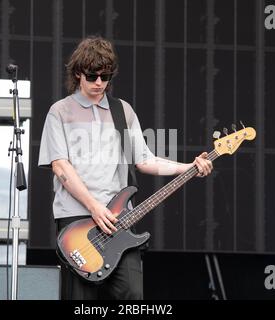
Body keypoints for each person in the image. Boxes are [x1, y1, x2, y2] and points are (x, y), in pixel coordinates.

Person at [38, 36, 213, 300]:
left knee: (132, 295)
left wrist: (189, 167)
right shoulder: (60, 112)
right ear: (77, 73)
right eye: (92, 76)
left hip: (119, 220)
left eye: (105, 76)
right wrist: (95, 208)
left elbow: (145, 160)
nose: (99, 83)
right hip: (77, 221)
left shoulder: (122, 111)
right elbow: (61, 168)